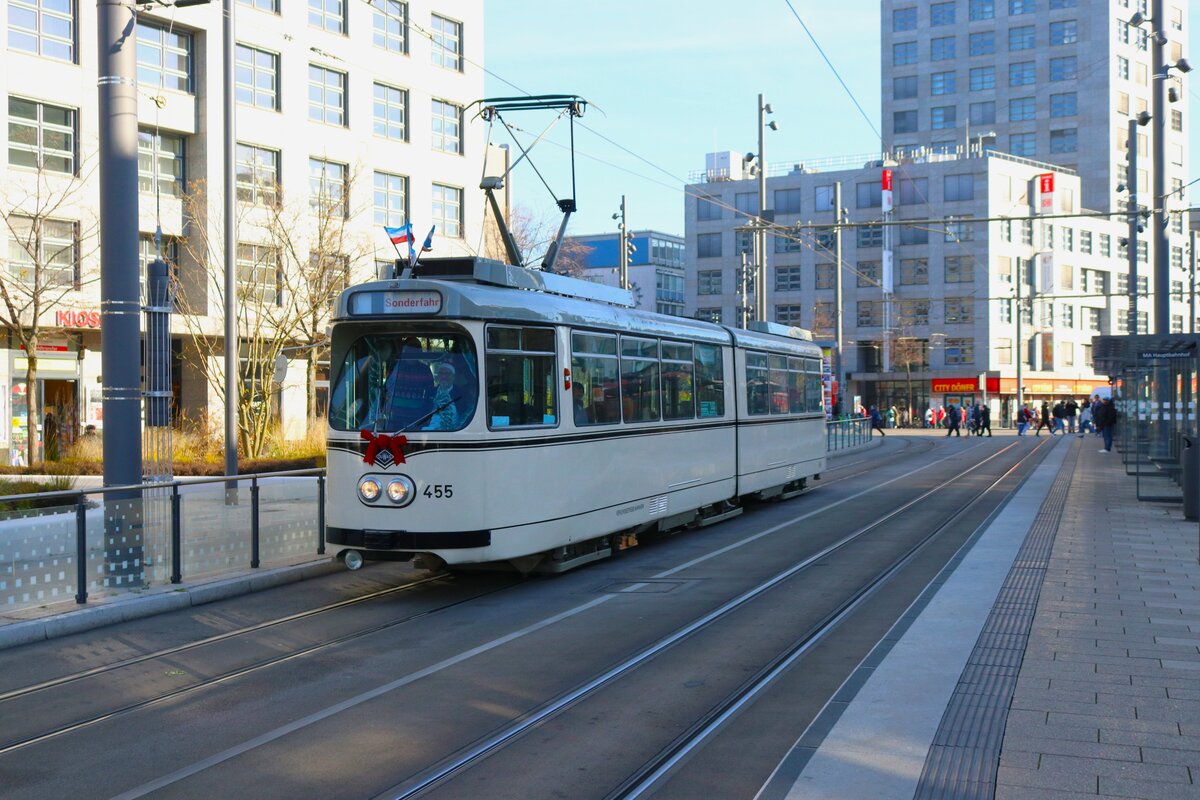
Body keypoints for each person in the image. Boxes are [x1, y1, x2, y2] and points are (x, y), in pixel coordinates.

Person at [424, 362, 460, 431]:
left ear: (453, 377)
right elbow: (424, 412)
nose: (444, 377)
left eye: (447, 374)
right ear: (438, 376)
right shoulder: (430, 392)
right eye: (441, 373)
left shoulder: (461, 393)